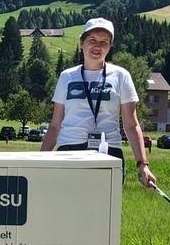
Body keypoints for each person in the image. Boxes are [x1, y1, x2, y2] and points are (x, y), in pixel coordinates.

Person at [40, 17, 157, 189]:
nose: (97, 46)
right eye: (92, 40)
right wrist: (40, 160)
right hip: (69, 152)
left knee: (104, 214)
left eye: (104, 42)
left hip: (108, 153)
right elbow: (56, 125)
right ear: (82, 43)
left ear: (109, 47)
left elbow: (131, 125)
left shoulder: (121, 76)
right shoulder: (66, 77)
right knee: (66, 212)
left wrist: (143, 165)